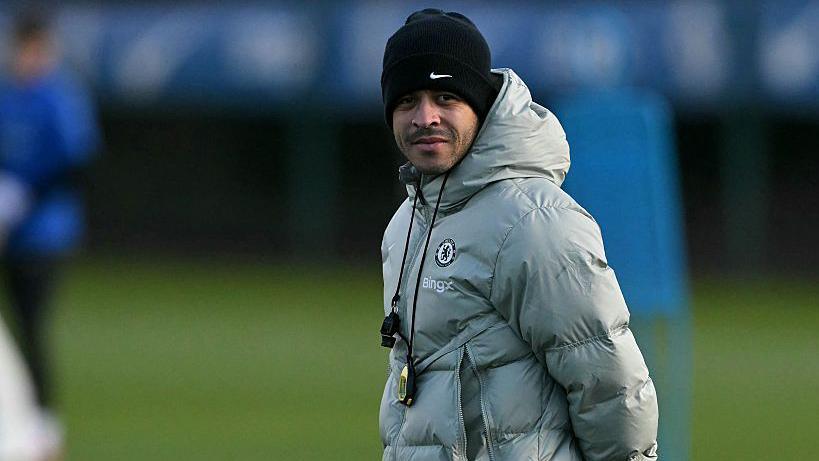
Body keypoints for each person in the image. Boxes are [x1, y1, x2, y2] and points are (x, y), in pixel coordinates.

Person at [378, 9, 658, 461]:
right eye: (408, 100)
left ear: (480, 104)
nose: (425, 117)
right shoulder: (405, 224)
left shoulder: (535, 221)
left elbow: (611, 386)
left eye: (445, 96)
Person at [0, 9, 100, 444]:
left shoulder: (61, 98)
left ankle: (41, 426)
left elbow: (76, 164)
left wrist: (22, 199)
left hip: (44, 234)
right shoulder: (6, 96)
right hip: (5, 229)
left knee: (30, 326)